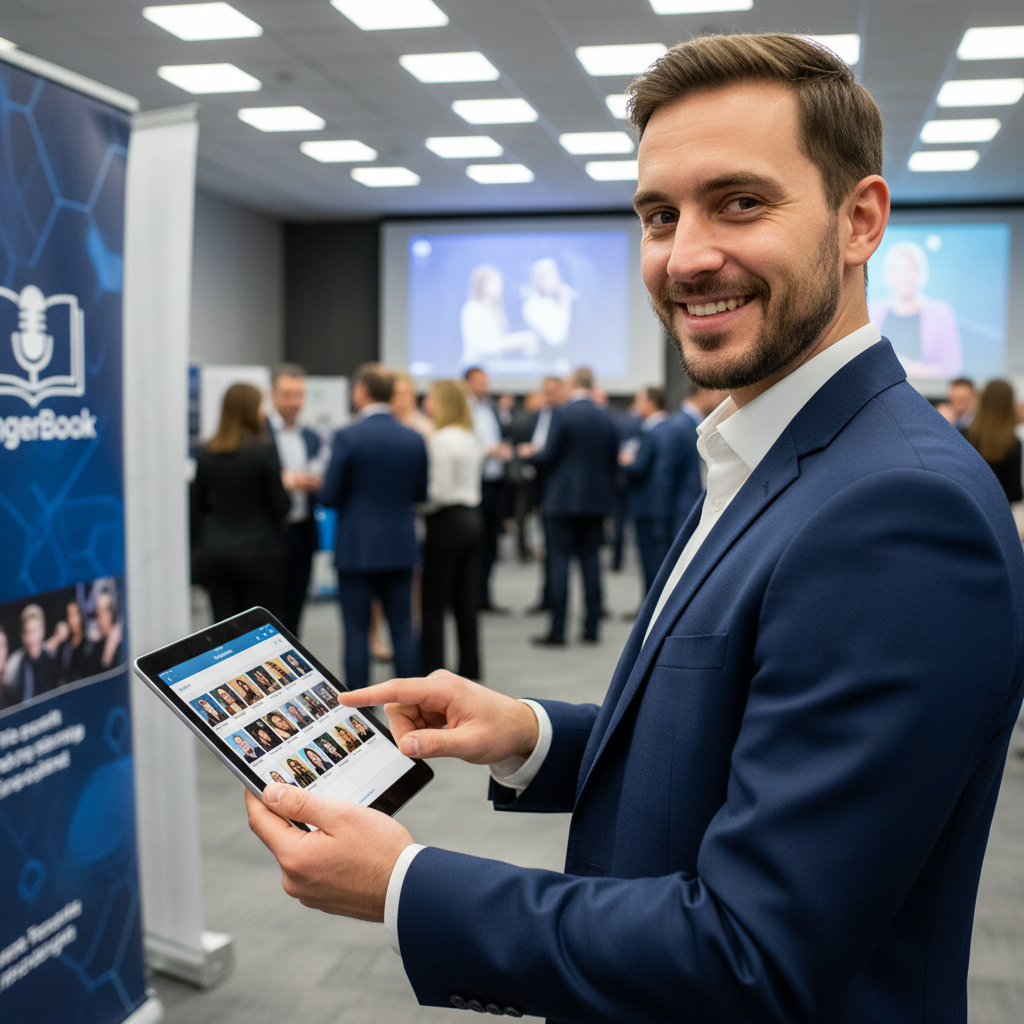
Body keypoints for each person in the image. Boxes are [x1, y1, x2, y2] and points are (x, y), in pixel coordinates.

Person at [246, 33, 1024, 1024]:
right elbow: (734, 745)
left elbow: (752, 952)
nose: (686, 255)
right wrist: (527, 734)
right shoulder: (766, 448)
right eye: (659, 215)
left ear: (858, 219)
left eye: (739, 202)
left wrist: (403, 884)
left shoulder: (899, 511)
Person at [318, 363, 428, 690]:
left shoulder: (347, 436)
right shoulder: (413, 438)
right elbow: (420, 494)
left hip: (357, 547)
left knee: (356, 631)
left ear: (361, 392)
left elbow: (329, 496)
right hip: (400, 544)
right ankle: (411, 704)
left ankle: (361, 709)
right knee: (404, 628)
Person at [521, 367, 620, 645]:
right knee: (591, 564)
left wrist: (530, 455)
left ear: (573, 384)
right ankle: (592, 628)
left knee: (559, 564)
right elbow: (613, 462)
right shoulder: (606, 415)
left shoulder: (562, 414)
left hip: (561, 502)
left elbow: (549, 455)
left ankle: (558, 630)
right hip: (596, 504)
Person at [191, 382, 291, 622]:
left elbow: (196, 507)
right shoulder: (264, 450)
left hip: (217, 553)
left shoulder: (206, 452)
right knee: (257, 630)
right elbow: (281, 505)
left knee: (223, 628)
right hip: (261, 554)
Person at [420, 379, 484, 681]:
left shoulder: (441, 439)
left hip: (446, 523)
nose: (426, 404)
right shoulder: (469, 437)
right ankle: (470, 667)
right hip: (472, 518)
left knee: (433, 602)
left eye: (430, 398)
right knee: (465, 600)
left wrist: (416, 506)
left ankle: (433, 671)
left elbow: (438, 492)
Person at [268, 364, 325, 637]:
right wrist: (287, 480)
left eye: (299, 395)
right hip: (269, 534)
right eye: (288, 395)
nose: (294, 403)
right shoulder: (259, 434)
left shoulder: (311, 437)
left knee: (296, 608)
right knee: (269, 611)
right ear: (273, 395)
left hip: (302, 532)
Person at [868, 240, 963, 379]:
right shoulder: (873, 311)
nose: (903, 276)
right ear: (887, 274)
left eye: (909, 269)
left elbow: (953, 367)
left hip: (927, 394)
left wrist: (916, 370)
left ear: (920, 272)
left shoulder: (941, 313)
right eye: (896, 269)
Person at [464, 367, 513, 612]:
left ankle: (484, 595)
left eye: (486, 380)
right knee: (474, 544)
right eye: (479, 381)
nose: (485, 385)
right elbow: (463, 445)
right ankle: (470, 597)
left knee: (492, 543)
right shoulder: (464, 410)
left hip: (495, 482)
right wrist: (488, 450)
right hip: (473, 484)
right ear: (467, 384)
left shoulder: (492, 409)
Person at [620, 386, 674, 596]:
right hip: (659, 504)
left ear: (651, 403)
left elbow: (640, 468)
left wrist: (626, 462)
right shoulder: (669, 427)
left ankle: (650, 608)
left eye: (639, 400)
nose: (635, 405)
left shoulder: (651, 431)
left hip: (646, 505)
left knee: (650, 560)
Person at [460, 265, 538, 366]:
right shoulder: (473, 309)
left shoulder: (495, 311)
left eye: (500, 282)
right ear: (482, 285)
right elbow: (481, 346)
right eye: (494, 282)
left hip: (492, 370)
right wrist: (516, 341)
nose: (499, 286)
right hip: (474, 369)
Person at [966, 380, 1023, 503]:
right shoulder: (1014, 444)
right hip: (999, 513)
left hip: (970, 507)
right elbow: (1015, 492)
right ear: (1010, 404)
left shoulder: (965, 435)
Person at [2, 604, 60, 707]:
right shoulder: (16, 666)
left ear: (42, 632)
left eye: (34, 631)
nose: (31, 638)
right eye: (27, 632)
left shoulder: (53, 662)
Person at [54, 597, 99, 685]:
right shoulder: (64, 647)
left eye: (75, 614)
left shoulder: (89, 645)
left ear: (81, 616)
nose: (72, 620)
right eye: (69, 615)